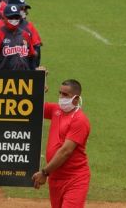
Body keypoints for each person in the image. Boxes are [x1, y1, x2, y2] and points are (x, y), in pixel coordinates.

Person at [32, 79, 90, 208]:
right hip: (55, 178)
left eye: (65, 95)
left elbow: (66, 151)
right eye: (60, 93)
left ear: (76, 98)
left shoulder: (80, 120)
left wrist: (45, 172)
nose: (61, 97)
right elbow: (31, 106)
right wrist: (38, 88)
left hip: (75, 179)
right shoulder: (56, 110)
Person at [0, 4, 36, 70]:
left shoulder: (25, 35)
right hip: (3, 78)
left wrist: (33, 74)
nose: (14, 20)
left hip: (23, 78)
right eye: (11, 17)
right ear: (4, 18)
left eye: (16, 17)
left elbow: (31, 57)